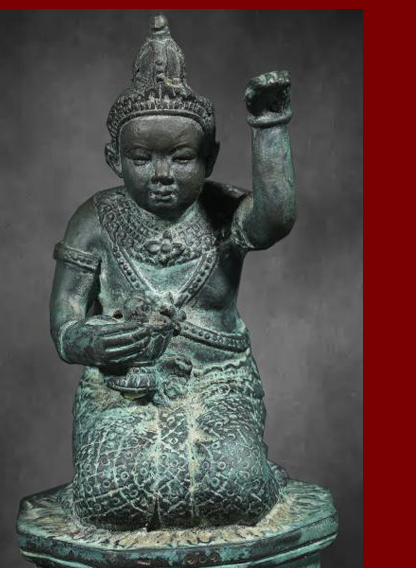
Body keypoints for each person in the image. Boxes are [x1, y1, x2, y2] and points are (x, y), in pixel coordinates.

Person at [50, 15, 296, 530]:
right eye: (142, 158)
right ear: (114, 158)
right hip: (124, 386)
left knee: (235, 487)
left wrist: (269, 129)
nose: (162, 174)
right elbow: (66, 321)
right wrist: (90, 342)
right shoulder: (94, 219)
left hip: (219, 379)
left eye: (182, 158)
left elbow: (275, 219)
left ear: (210, 159)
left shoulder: (222, 209)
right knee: (110, 494)